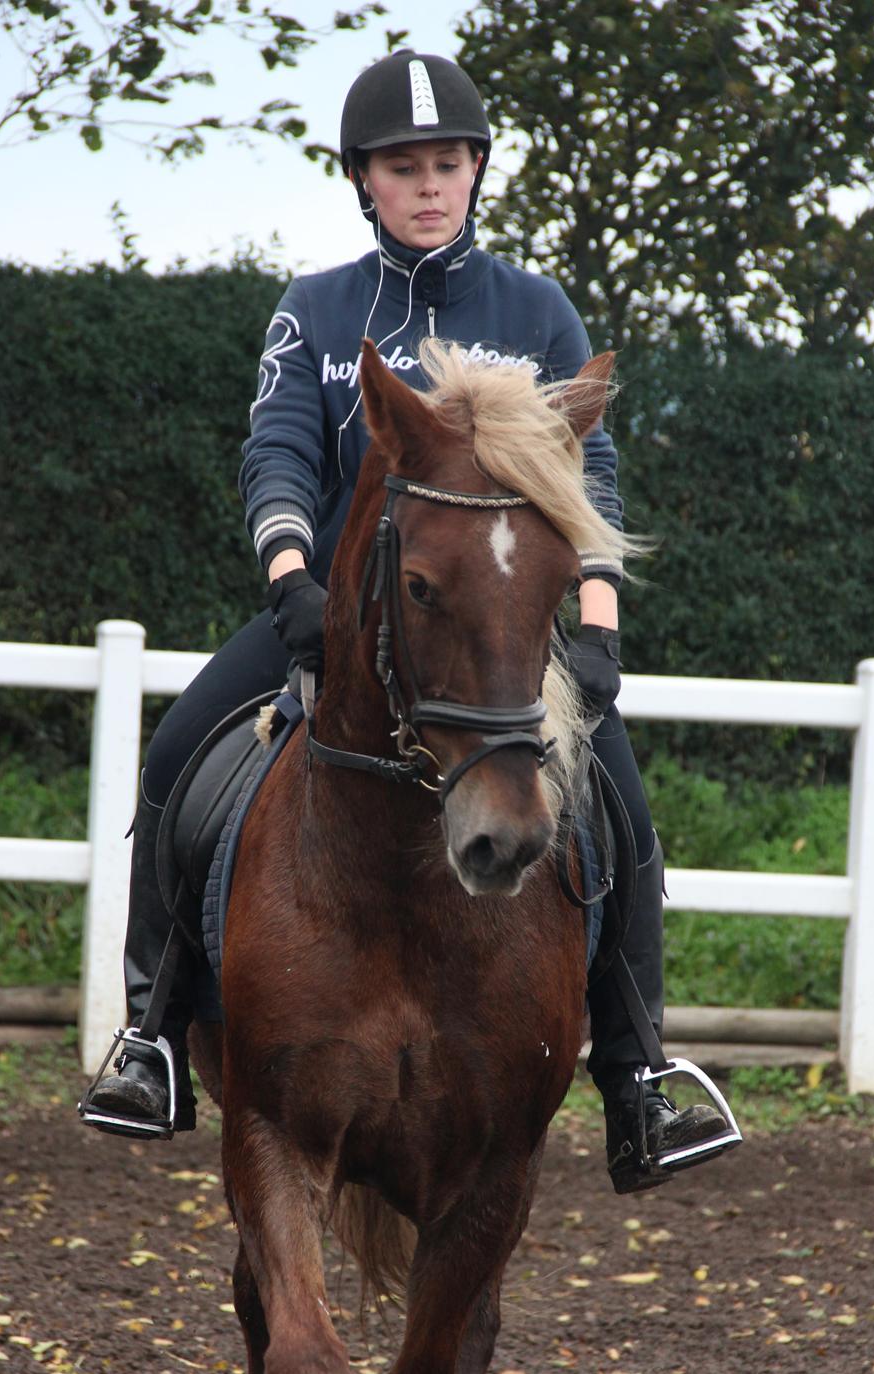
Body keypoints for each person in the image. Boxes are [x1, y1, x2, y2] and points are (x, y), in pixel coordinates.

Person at [83, 48, 735, 1194]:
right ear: (362, 181)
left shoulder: (534, 311)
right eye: (402, 168)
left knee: (623, 813)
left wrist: (595, 627)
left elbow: (594, 481)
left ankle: (637, 1077)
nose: (427, 186)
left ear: (477, 169)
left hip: (495, 640)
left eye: (446, 164)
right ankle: (152, 1039)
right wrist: (290, 578)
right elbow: (277, 451)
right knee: (176, 754)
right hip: (331, 620)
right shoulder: (317, 309)